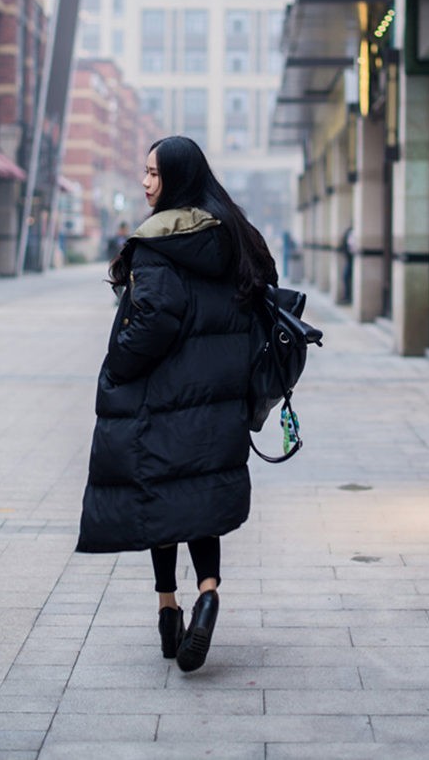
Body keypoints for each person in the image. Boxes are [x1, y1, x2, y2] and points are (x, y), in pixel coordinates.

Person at [76, 136, 278, 672]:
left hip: (164, 397)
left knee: (160, 496)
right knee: (200, 495)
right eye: (144, 172)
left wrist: (118, 363)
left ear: (178, 179)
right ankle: (207, 593)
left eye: (154, 174)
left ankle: (168, 609)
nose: (146, 183)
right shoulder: (235, 235)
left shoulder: (159, 242)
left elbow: (154, 319)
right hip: (218, 397)